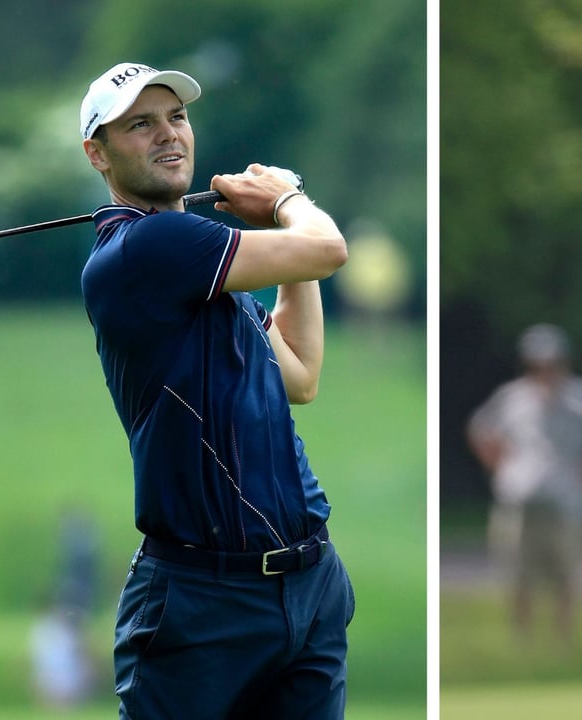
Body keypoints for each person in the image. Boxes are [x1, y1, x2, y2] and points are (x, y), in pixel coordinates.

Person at [77, 61, 352, 718]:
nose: (168, 135)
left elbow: (301, 375)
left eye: (176, 117)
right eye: (140, 125)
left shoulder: (203, 275)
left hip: (309, 586)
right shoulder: (148, 248)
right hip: (203, 603)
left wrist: (288, 235)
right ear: (99, 154)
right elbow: (330, 249)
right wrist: (287, 200)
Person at [467, 323, 582, 650]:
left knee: (567, 576)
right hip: (519, 501)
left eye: (551, 363)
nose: (545, 371)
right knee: (517, 575)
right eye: (538, 364)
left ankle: (563, 644)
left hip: (569, 501)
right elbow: (480, 430)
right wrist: (500, 467)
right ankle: (523, 644)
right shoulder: (512, 398)